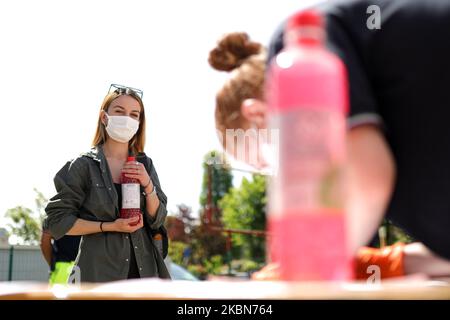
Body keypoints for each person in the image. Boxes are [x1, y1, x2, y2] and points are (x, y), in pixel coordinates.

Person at [208, 32, 450, 280]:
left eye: (263, 161)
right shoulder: (380, 125)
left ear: (257, 114)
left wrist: (318, 264)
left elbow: (372, 182)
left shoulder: (318, 54)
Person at [44, 84, 170, 282]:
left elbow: (158, 219)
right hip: (98, 275)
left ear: (139, 122)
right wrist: (110, 226)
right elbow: (58, 221)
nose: (127, 119)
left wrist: (148, 184)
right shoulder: (83, 166)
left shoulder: (145, 164)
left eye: (134, 114)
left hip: (145, 275)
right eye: (119, 111)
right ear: (104, 117)